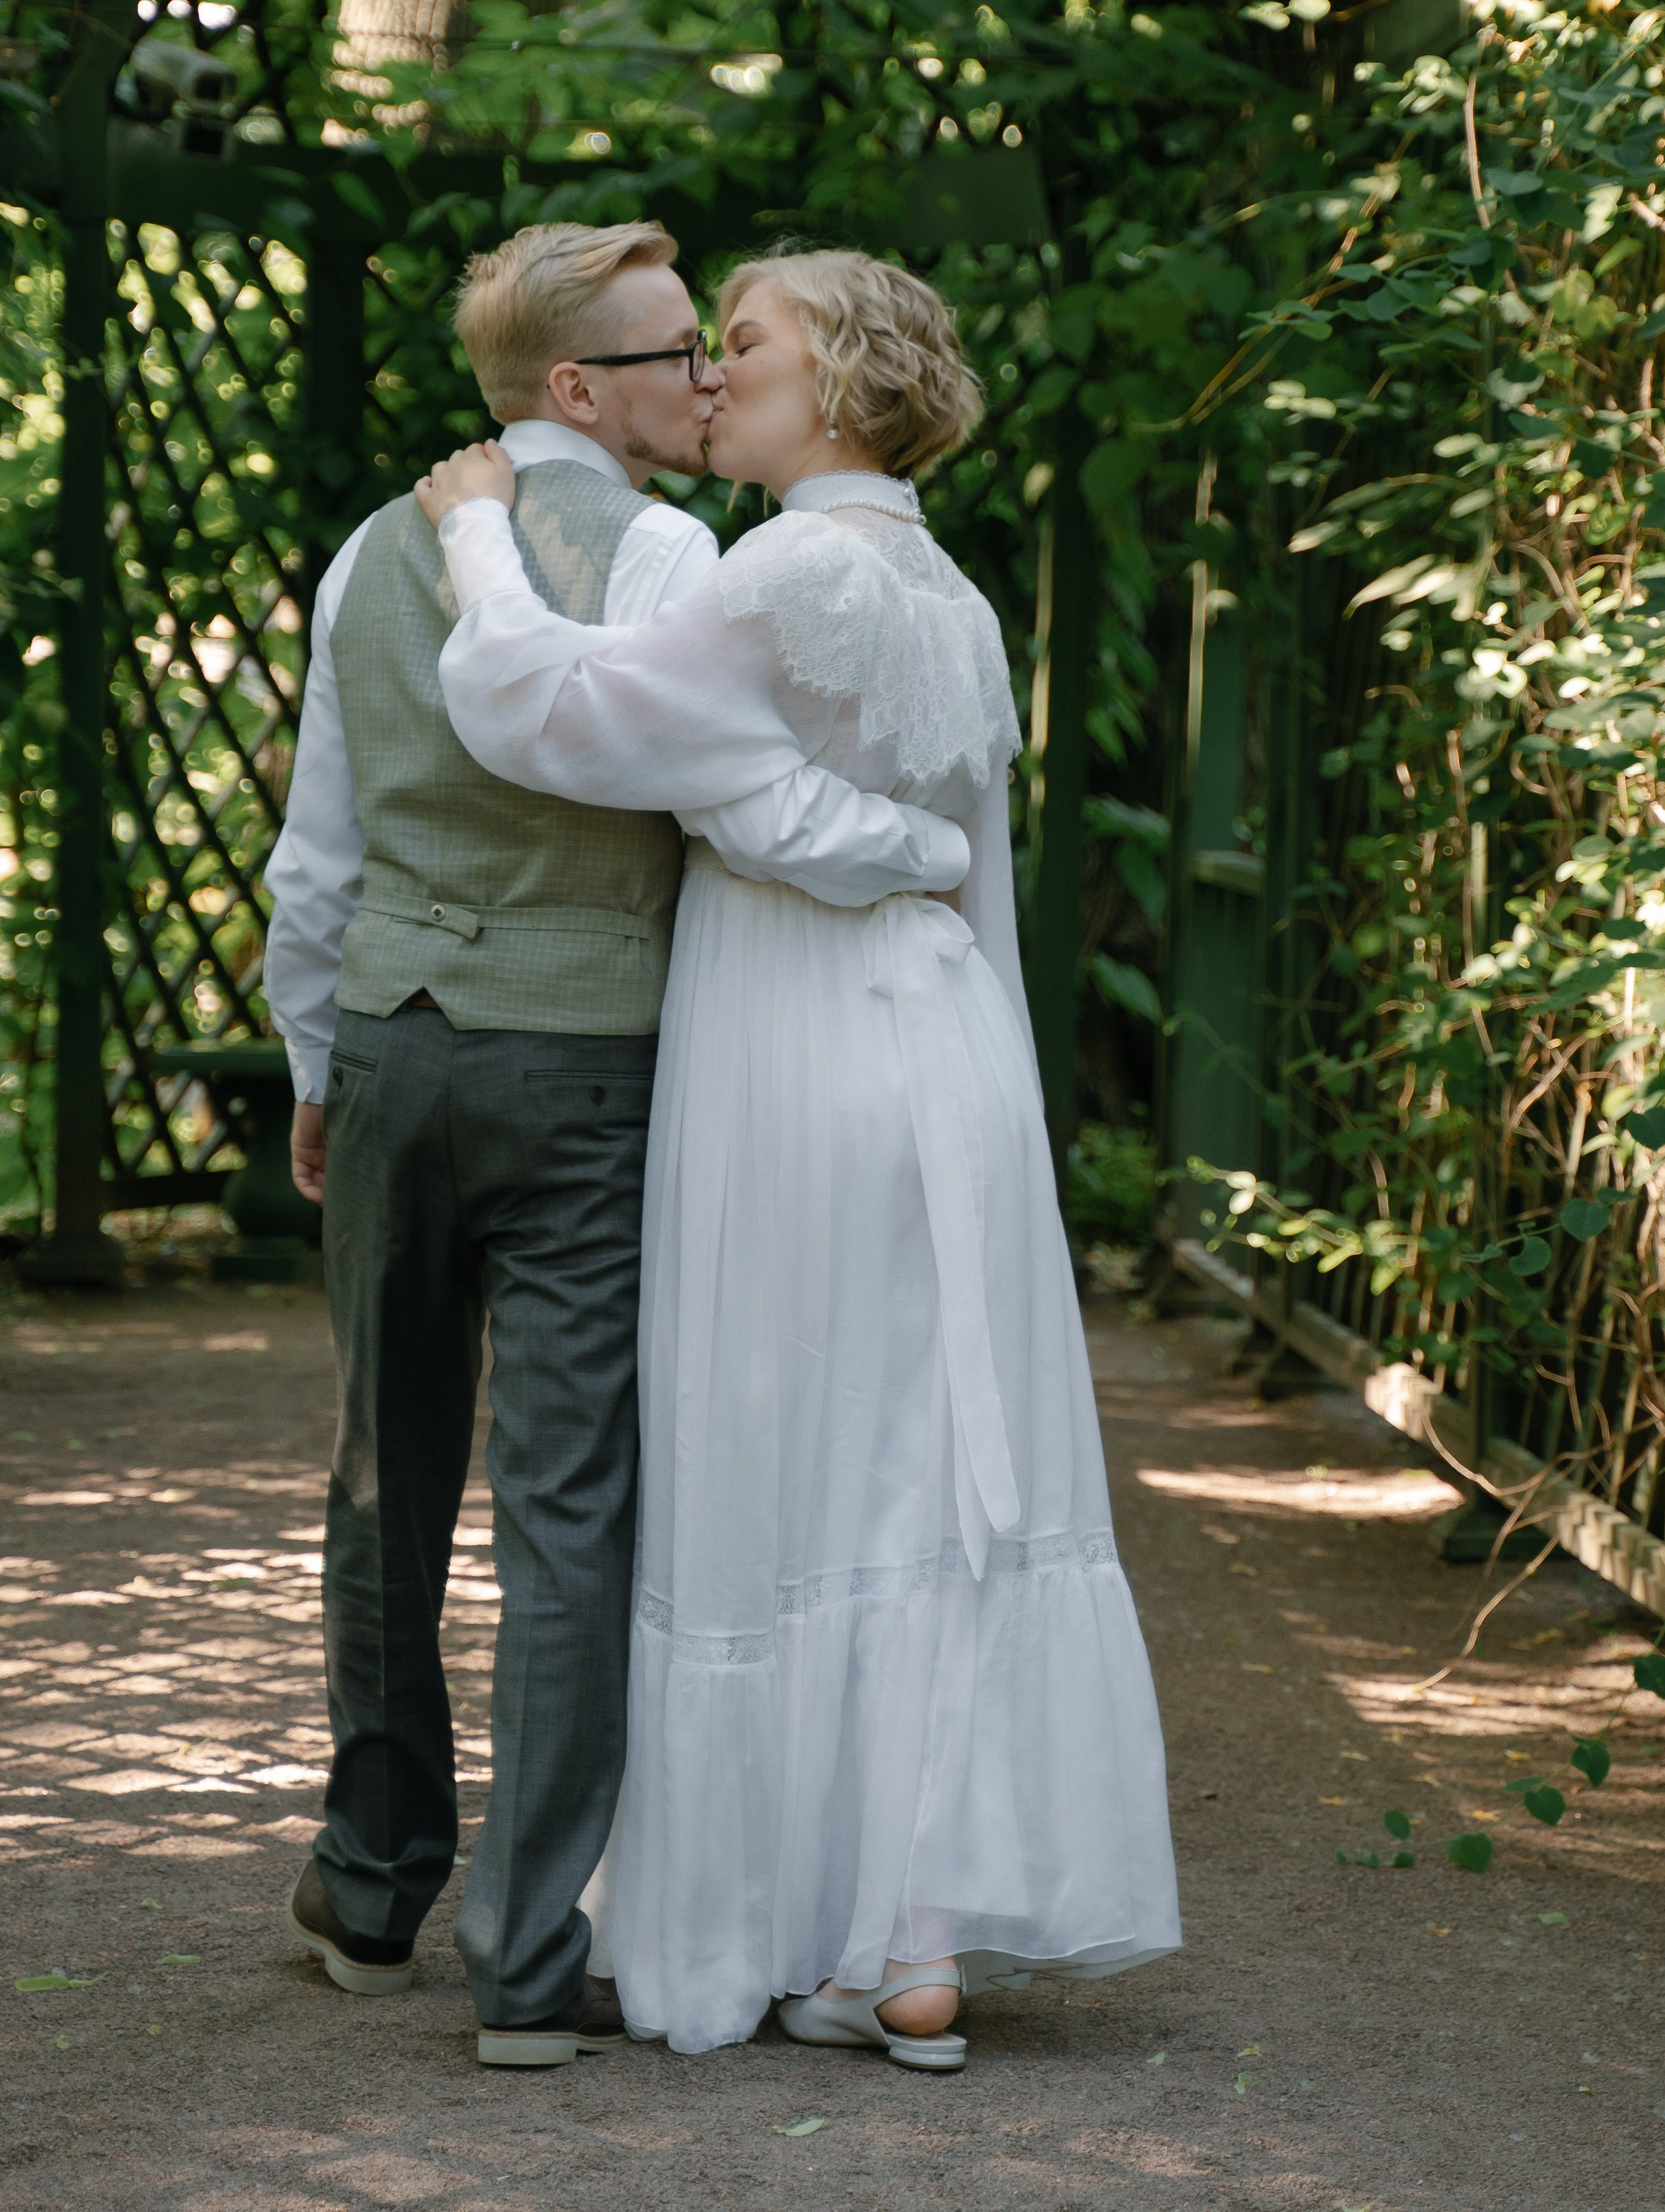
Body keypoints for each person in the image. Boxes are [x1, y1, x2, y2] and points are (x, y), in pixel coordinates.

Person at [417, 247, 1179, 2067]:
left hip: (797, 1053)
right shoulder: (957, 597)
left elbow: (567, 718)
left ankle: (756, 1922)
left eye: (743, 344)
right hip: (951, 1060)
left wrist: (471, 539)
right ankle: (907, 1942)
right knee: (916, 1476)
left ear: (830, 378)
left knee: (777, 1455)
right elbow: (949, 861)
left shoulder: (780, 569)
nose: (712, 373)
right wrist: (861, 847)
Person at [264, 219, 968, 2069]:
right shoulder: (676, 554)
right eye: (673, 356)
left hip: (399, 1045)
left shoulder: (367, 554)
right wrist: (918, 856)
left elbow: (317, 846)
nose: (706, 381)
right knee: (568, 1508)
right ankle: (518, 1963)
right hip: (588, 1067)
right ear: (575, 385)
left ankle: (365, 1879)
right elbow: (715, 784)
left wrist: (311, 1061)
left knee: (382, 1476)